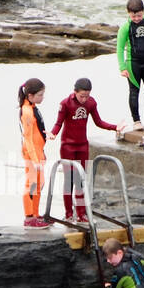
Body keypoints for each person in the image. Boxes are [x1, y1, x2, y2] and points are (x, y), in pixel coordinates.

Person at [51, 78, 117, 221]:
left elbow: (99, 122)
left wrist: (115, 127)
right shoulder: (65, 104)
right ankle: (68, 213)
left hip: (82, 145)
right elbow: (58, 123)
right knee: (69, 180)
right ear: (75, 92)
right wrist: (52, 134)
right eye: (81, 96)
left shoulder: (91, 103)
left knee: (81, 180)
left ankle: (81, 213)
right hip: (67, 146)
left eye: (86, 96)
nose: (84, 99)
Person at [116, 0, 144, 131]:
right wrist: (122, 67)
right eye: (133, 16)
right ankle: (136, 121)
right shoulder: (125, 27)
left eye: (139, 15)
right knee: (134, 92)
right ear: (128, 13)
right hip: (132, 64)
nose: (136, 18)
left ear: (143, 11)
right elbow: (119, 48)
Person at [19, 78, 49, 227]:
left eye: (43, 94)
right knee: (31, 184)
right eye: (40, 95)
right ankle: (29, 217)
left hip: (38, 150)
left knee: (39, 183)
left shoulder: (33, 107)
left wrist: (42, 153)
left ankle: (36, 214)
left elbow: (38, 133)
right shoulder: (27, 111)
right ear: (30, 96)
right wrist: (35, 160)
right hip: (31, 153)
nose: (42, 98)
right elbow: (28, 138)